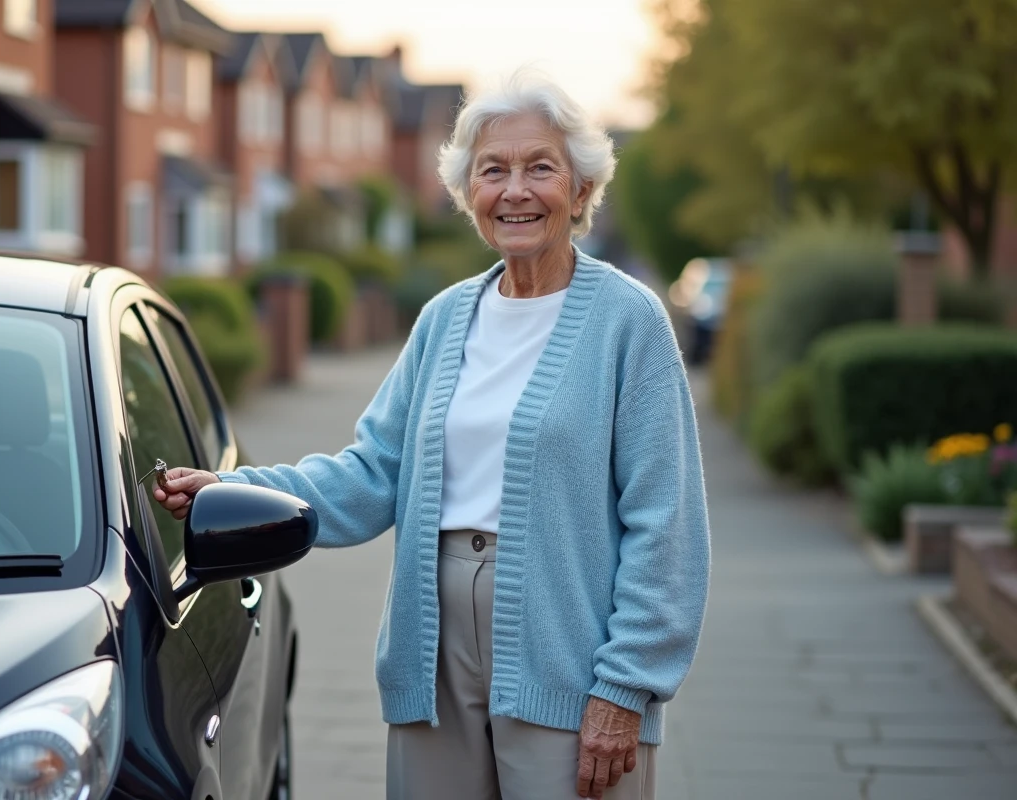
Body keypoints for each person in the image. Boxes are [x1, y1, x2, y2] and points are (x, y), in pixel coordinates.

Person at [155, 70, 710, 800]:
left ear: (580, 191)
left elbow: (666, 524)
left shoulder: (628, 323)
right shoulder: (445, 320)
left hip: (566, 651)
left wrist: (627, 685)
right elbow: (372, 472)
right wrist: (238, 488)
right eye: (493, 171)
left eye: (540, 167)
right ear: (469, 194)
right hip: (433, 643)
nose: (515, 190)